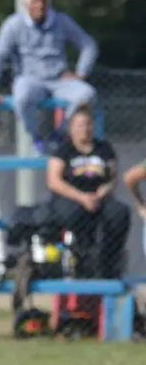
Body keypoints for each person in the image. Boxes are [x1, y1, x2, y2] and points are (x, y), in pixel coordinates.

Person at [0, 0, 99, 154]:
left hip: (60, 79)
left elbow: (88, 45)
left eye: (44, 1)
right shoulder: (13, 24)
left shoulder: (61, 21)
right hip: (29, 79)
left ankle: (61, 133)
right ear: (25, 4)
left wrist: (81, 73)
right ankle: (36, 135)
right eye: (35, 1)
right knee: (22, 96)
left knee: (87, 94)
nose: (40, 6)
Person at [48, 104, 130, 279]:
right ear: (71, 128)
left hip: (99, 198)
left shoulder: (104, 148)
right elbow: (53, 181)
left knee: (120, 212)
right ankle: (81, 260)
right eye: (80, 125)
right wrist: (81, 197)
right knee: (75, 214)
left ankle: (109, 262)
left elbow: (113, 178)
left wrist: (104, 190)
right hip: (71, 198)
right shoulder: (64, 150)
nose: (84, 129)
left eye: (88, 124)